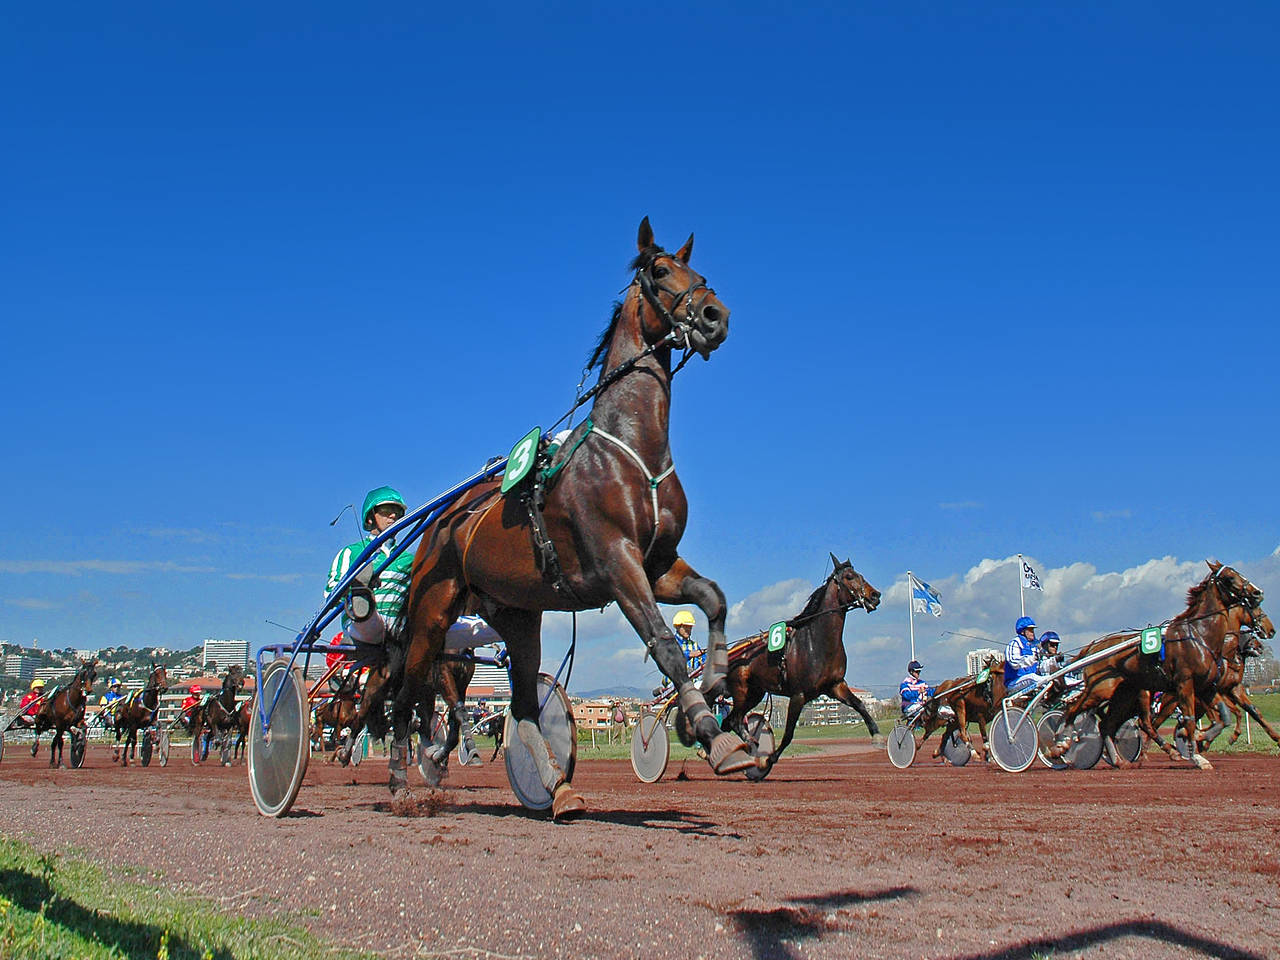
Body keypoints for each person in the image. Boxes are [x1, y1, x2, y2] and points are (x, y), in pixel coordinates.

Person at [327, 486, 413, 650]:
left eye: (397, 511)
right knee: (372, 623)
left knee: (467, 628)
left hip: (402, 628)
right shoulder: (351, 552)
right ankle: (361, 595)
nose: (393, 515)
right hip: (365, 627)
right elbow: (330, 593)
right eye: (387, 510)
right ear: (370, 518)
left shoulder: (409, 559)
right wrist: (350, 592)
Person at [1005, 616, 1047, 696]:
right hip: (1014, 682)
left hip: (1029, 681)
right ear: (1022, 631)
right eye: (1030, 630)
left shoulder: (1034, 645)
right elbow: (1014, 662)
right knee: (1033, 677)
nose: (1033, 633)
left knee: (1050, 677)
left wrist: (1055, 660)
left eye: (1033, 630)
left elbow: (1042, 665)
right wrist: (1033, 658)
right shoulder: (1015, 643)